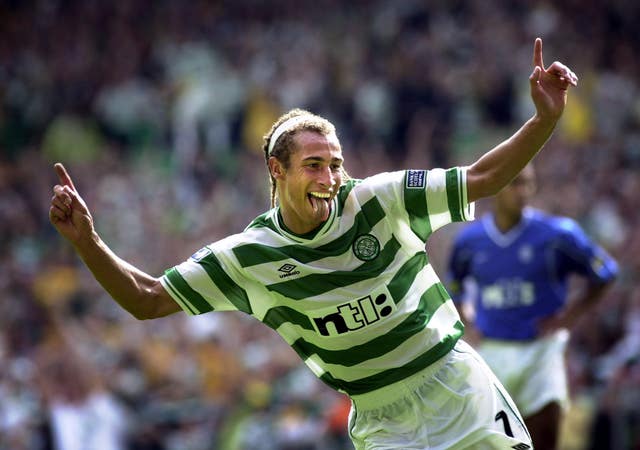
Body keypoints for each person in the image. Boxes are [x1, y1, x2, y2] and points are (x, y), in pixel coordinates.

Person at [49, 38, 577, 449]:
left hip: (457, 387)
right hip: (382, 420)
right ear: (276, 170)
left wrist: (544, 119)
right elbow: (146, 298)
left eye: (335, 163)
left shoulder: (380, 199)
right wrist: (89, 241)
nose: (330, 177)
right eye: (313, 165)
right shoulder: (249, 256)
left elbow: (483, 177)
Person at [446, 163, 618, 450]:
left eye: (529, 183)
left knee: (545, 433)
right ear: (497, 186)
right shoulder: (469, 241)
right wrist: (466, 320)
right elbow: (454, 284)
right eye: (516, 183)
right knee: (493, 441)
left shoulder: (556, 234)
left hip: (542, 349)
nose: (523, 191)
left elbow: (604, 272)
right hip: (493, 351)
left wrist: (568, 317)